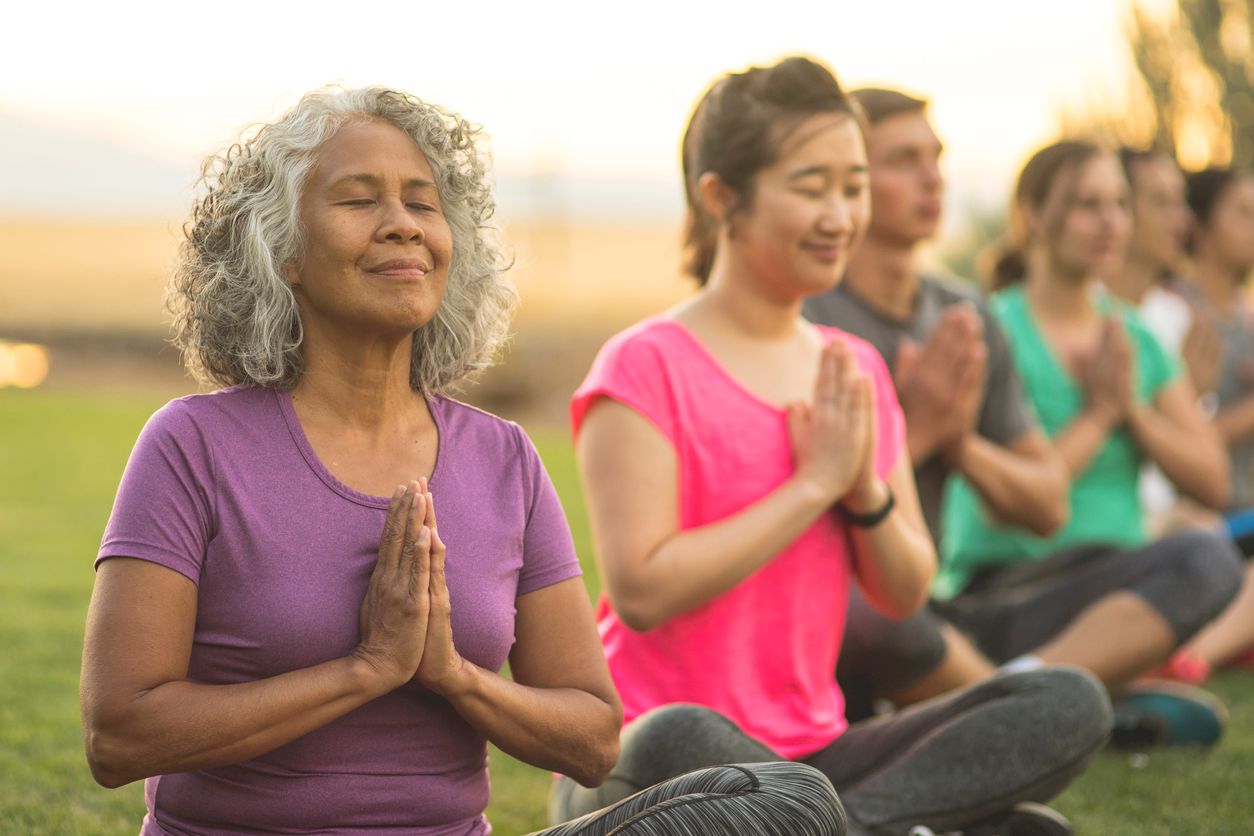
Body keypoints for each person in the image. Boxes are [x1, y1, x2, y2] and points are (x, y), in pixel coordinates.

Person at [79, 86, 847, 836]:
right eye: (357, 199)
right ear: (281, 252)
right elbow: (120, 735)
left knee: (789, 802)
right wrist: (365, 668)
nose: (402, 225)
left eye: (422, 203)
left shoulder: (503, 457)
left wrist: (451, 675)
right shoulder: (193, 446)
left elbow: (592, 738)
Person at [553, 57, 1110, 836]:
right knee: (685, 733)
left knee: (1066, 700)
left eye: (852, 188)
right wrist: (811, 486)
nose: (840, 215)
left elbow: (905, 592)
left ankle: (822, 823)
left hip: (819, 750)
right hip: (654, 764)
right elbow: (644, 590)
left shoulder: (854, 371)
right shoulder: (645, 365)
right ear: (722, 199)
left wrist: (866, 495)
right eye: (810, 187)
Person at [937, 140, 1243, 747]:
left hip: (1117, 586)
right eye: (1087, 204)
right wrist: (1102, 413)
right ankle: (1058, 695)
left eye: (1119, 205)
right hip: (1010, 586)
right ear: (1033, 215)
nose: (1111, 223)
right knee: (1197, 554)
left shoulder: (1133, 338)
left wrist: (1133, 408)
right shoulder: (989, 329)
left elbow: (1213, 480)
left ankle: (1042, 695)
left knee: (1208, 554)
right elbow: (1012, 503)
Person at [803, 88, 1069, 717]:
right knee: (871, 614)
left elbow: (1048, 506)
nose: (933, 178)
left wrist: (961, 444)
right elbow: (800, 529)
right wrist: (914, 431)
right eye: (903, 160)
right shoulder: (805, 316)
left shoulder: (965, 314)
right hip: (844, 613)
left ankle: (996, 694)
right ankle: (1027, 712)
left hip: (935, 604)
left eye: (937, 157)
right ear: (850, 182)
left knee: (1195, 560)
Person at [1150, 166, 1254, 679]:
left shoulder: (1247, 315)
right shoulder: (1175, 314)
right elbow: (1187, 439)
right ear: (1203, 230)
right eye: (1243, 213)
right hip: (1205, 511)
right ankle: (1192, 661)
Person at [1106, 148, 1222, 534]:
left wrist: (1185, 397)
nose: (1182, 220)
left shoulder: (1176, 318)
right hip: (1110, 532)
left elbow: (1206, 470)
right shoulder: (1080, 316)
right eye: (1162, 203)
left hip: (1176, 521)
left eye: (1181, 202)